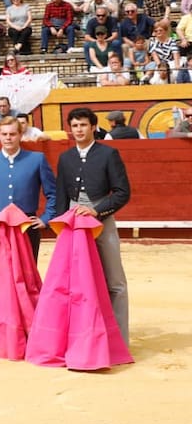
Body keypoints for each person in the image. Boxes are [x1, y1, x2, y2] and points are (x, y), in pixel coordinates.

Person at [56, 107, 131, 340]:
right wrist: (60, 227)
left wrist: (96, 210)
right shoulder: (65, 157)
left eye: (83, 125)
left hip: (101, 220)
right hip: (73, 223)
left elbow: (122, 193)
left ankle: (118, 338)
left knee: (114, 281)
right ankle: (81, 334)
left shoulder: (108, 154)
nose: (79, 129)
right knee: (76, 280)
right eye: (75, 125)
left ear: (93, 127)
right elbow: (61, 194)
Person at [0, 116, 57, 260]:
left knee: (28, 273)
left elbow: (54, 193)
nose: (8, 138)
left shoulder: (37, 159)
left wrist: (46, 218)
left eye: (12, 134)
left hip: (27, 224)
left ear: (20, 135)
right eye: (4, 134)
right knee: (1, 274)